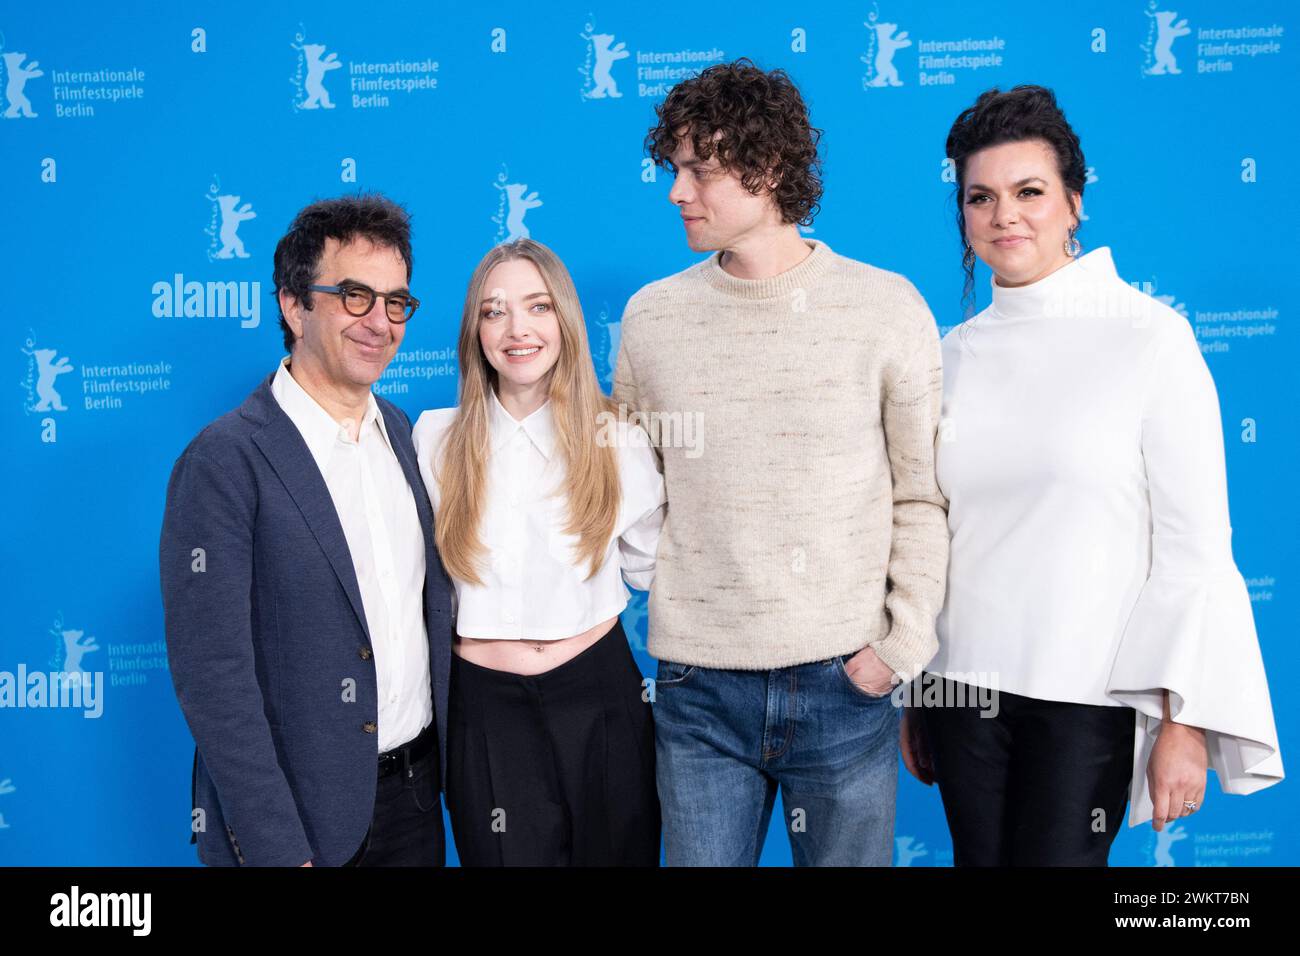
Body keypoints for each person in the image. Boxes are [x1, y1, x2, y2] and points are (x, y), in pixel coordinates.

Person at [903, 85, 1284, 866]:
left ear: (1074, 202)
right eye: (981, 197)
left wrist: (1185, 722)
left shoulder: (1151, 338)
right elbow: (932, 530)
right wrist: (920, 685)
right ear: (964, 216)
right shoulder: (948, 356)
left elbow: (1196, 548)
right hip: (960, 688)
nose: (1006, 215)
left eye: (1029, 192)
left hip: (1090, 694)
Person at [613, 58, 949, 866]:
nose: (675, 192)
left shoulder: (885, 307)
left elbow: (921, 495)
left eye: (697, 169)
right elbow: (628, 493)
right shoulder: (651, 319)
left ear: (764, 170)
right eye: (672, 169)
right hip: (698, 692)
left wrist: (898, 649)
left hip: (845, 682)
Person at [160, 194, 455, 866]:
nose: (379, 321)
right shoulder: (225, 460)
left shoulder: (412, 440)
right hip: (298, 822)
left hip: (415, 802)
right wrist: (274, 847)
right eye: (354, 296)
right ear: (294, 306)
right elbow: (213, 676)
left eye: (396, 301)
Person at [412, 238, 665, 866]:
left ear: (566, 321)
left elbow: (657, 571)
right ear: (474, 329)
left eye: (538, 307)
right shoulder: (433, 438)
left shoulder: (620, 438)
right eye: (494, 311)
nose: (517, 329)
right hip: (484, 709)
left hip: (600, 699)